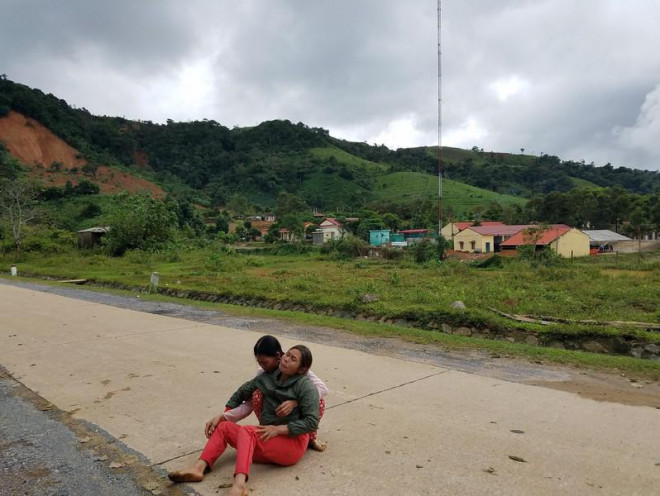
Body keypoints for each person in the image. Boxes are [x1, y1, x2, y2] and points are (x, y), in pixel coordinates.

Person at [168, 345, 320, 496]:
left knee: (248, 431)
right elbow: (242, 392)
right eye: (287, 354)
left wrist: (278, 429)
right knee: (224, 427)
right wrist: (223, 415)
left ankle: (240, 486)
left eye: (293, 359)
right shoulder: (268, 377)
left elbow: (312, 422)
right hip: (267, 439)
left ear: (302, 369)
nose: (286, 359)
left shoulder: (306, 386)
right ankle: (198, 468)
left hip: (290, 445)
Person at [205, 335, 328, 451]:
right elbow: (247, 402)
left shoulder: (299, 371)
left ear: (278, 355)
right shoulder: (263, 375)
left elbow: (322, 388)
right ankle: (267, 427)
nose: (262, 366)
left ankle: (310, 437)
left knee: (318, 401)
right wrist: (225, 417)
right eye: (259, 363)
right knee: (257, 394)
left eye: (265, 362)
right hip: (274, 414)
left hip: (294, 415)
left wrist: (295, 402)